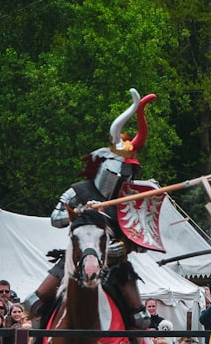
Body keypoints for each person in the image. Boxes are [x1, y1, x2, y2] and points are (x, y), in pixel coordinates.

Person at [35, 89, 157, 330]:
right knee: (36, 301)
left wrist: (121, 247)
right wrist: (79, 211)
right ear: (104, 165)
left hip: (114, 263)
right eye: (119, 169)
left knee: (140, 317)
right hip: (78, 258)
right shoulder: (78, 191)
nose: (123, 175)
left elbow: (140, 240)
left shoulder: (130, 199)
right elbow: (55, 219)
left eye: (128, 171)